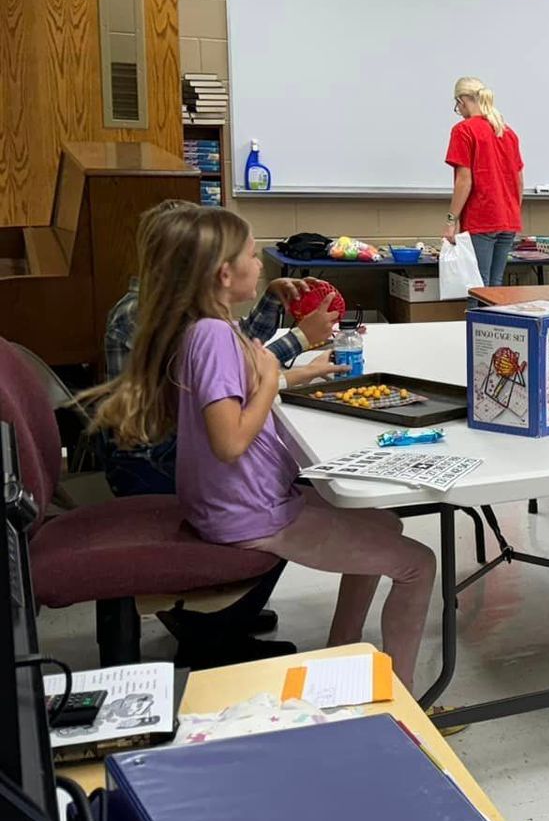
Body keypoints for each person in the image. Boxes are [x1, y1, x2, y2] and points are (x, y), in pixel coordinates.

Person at [85, 205, 435, 685]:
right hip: (250, 514)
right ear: (224, 273)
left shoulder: (207, 329)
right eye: (253, 255)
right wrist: (271, 380)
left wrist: (289, 374)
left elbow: (238, 390)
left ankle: (342, 649)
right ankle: (409, 700)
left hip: (245, 503)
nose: (261, 264)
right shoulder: (211, 336)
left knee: (383, 522)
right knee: (419, 564)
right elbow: (229, 441)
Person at [101, 206, 341, 499]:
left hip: (179, 446)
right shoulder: (143, 313)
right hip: (153, 460)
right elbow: (235, 374)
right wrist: (301, 339)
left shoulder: (193, 316)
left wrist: (272, 300)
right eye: (250, 255)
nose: (259, 264)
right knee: (309, 476)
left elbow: (233, 359)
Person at [442, 76, 524, 292]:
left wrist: (451, 221)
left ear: (462, 101)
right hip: (508, 219)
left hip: (482, 218)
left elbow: (464, 180)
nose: (458, 110)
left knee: (476, 286)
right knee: (494, 288)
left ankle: (477, 327)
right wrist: (512, 210)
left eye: (457, 105)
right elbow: (518, 180)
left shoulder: (463, 130)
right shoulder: (508, 132)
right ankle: (495, 326)